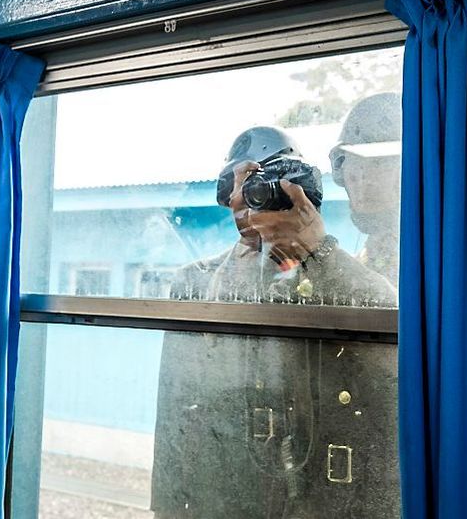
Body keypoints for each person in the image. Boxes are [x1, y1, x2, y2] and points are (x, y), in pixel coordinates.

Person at [152, 125, 399, 518]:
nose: (257, 199)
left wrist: (317, 249)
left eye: (272, 186)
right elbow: (176, 412)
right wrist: (167, 508)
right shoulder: (195, 281)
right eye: (245, 185)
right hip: (226, 499)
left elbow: (388, 329)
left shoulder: (333, 273)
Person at [328, 92, 403, 286]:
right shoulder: (372, 248)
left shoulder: (421, 248)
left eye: (377, 163)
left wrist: (319, 249)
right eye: (353, 161)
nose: (362, 178)